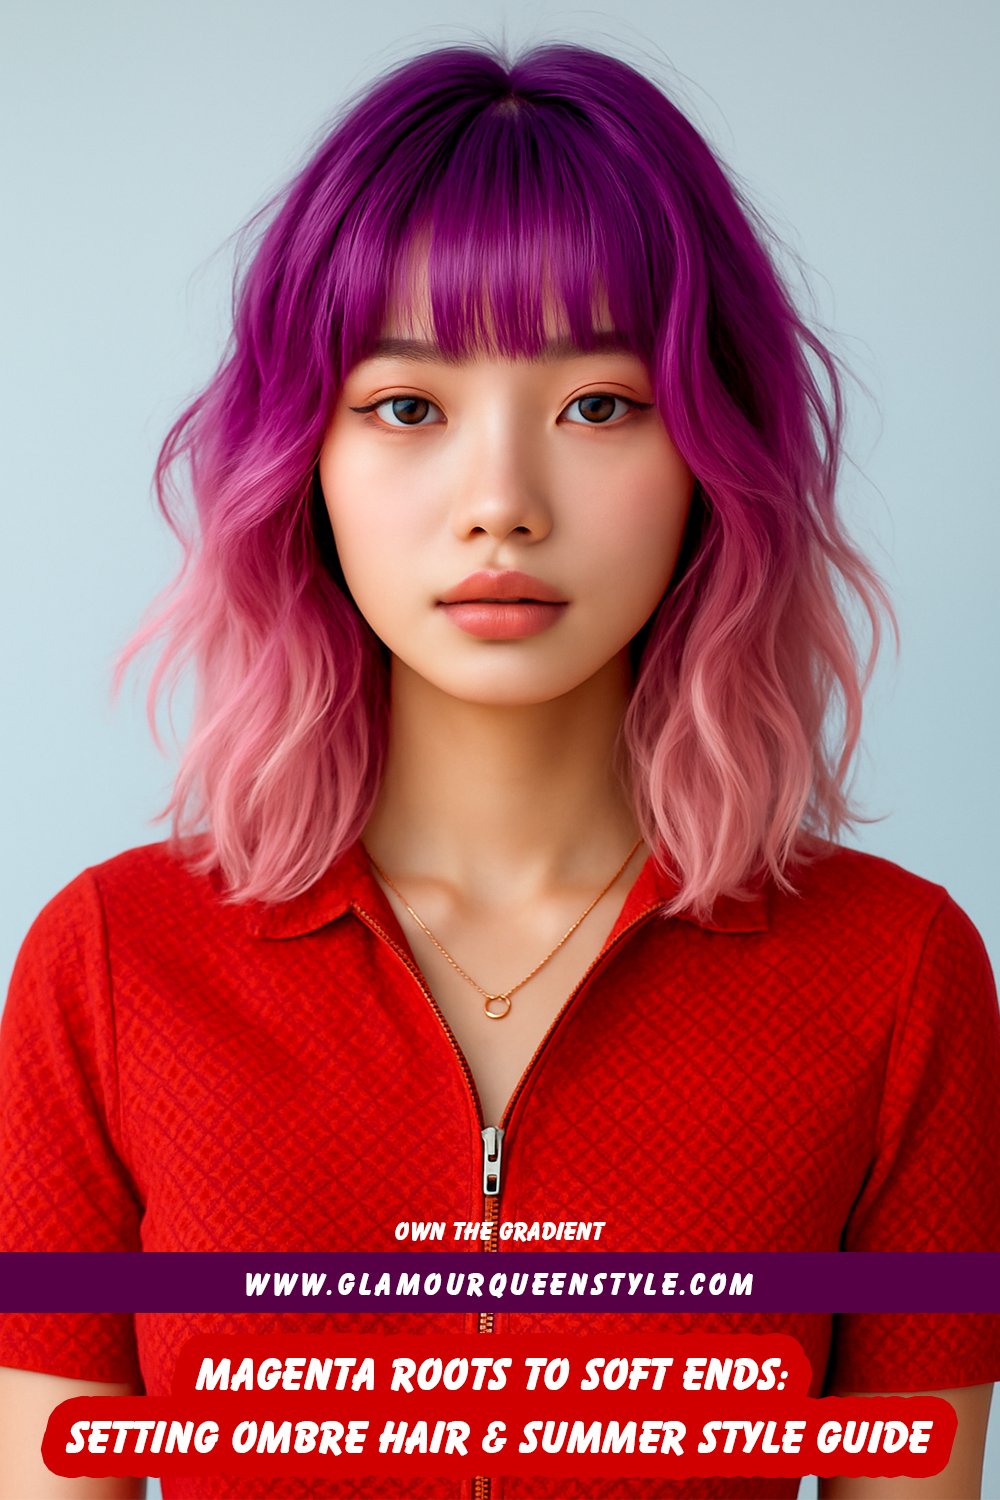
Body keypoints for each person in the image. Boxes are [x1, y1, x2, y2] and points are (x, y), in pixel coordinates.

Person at [0, 37, 997, 1500]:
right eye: (407, 406)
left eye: (600, 404)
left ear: (716, 452)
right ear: (306, 462)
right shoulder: (111, 969)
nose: (501, 505)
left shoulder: (897, 980)